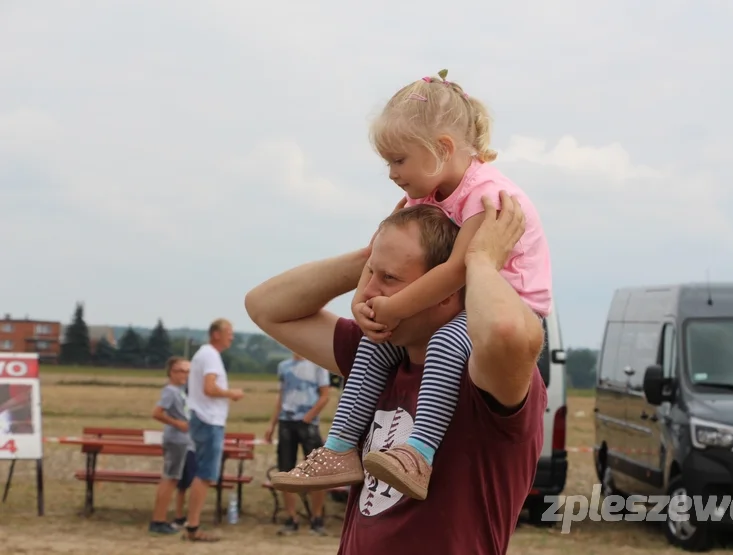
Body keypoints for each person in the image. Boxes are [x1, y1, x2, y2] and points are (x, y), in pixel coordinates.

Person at [267, 69, 552, 502]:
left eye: (398, 160)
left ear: (442, 149)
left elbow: (459, 269)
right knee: (373, 342)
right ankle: (342, 447)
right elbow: (381, 246)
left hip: (507, 304)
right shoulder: (429, 193)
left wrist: (395, 308)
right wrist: (364, 302)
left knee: (443, 344)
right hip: (464, 301)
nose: (391, 173)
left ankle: (418, 452)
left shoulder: (486, 195)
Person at [244, 194, 546, 554]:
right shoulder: (378, 357)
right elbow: (265, 307)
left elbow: (509, 333)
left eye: (389, 278)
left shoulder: (484, 377)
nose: (367, 293)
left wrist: (478, 262)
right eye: (371, 274)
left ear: (445, 293)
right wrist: (368, 257)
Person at [182, 318, 245, 542]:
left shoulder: (204, 354)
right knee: (205, 474)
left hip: (203, 419)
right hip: (209, 421)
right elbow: (209, 388)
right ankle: (193, 526)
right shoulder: (210, 355)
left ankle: (192, 523)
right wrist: (232, 393)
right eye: (229, 332)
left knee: (205, 473)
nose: (232, 336)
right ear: (216, 334)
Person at [264, 352, 331, 536]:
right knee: (286, 471)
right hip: (286, 423)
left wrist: (308, 416)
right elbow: (281, 397)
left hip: (308, 423)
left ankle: (317, 518)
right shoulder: (284, 366)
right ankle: (291, 518)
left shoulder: (318, 364)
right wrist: (272, 423)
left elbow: (325, 395)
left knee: (317, 471)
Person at [148, 356, 197, 534]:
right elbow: (157, 413)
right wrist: (178, 424)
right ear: (171, 372)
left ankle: (161, 520)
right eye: (180, 371)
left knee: (173, 479)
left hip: (183, 441)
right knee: (170, 479)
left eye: (187, 371)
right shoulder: (170, 391)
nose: (185, 375)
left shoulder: (180, 390)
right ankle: (158, 520)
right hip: (177, 440)